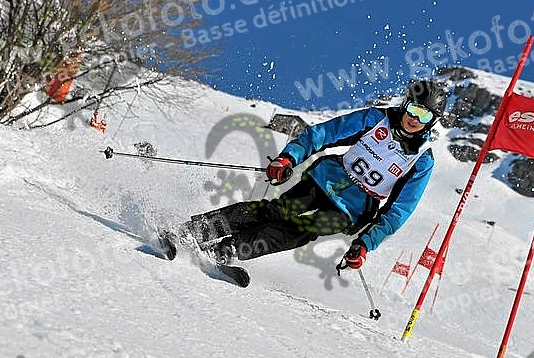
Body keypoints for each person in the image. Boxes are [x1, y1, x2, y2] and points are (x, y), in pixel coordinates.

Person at [176, 79, 447, 270]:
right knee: (278, 210)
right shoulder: (376, 119)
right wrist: (288, 157)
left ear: (432, 121)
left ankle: (232, 248)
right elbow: (324, 133)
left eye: (424, 116)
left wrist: (365, 244)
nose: (415, 119)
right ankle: (197, 230)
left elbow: (398, 211)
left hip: (350, 210)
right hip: (324, 179)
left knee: (304, 229)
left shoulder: (422, 160)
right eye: (413, 109)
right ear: (405, 104)